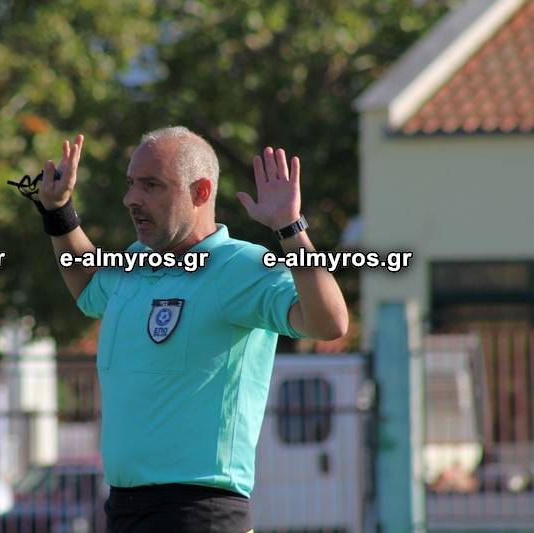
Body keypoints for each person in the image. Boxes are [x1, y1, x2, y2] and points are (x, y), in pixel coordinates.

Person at [27, 126, 348, 532]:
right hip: (124, 509)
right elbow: (88, 283)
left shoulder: (238, 266)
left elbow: (329, 323)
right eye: (131, 184)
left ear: (200, 192)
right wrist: (59, 211)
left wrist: (290, 227)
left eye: (151, 185)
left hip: (200, 512)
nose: (131, 199)